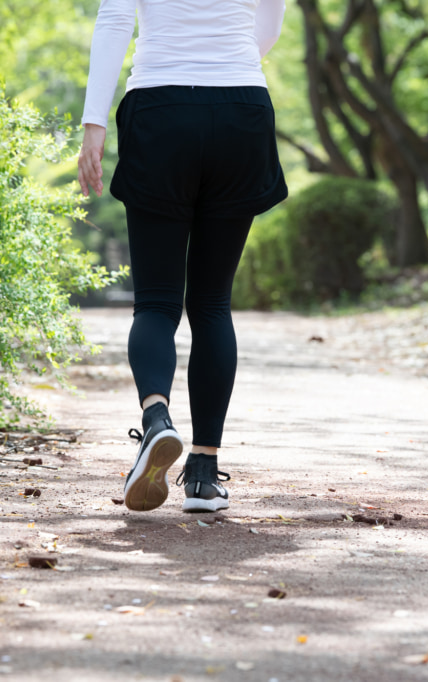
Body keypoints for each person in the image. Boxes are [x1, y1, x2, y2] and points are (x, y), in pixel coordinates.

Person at [77, 0, 288, 513]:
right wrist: (226, 61)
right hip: (242, 108)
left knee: (156, 303)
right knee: (212, 302)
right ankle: (203, 475)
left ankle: (156, 421)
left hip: (159, 110)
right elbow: (269, 26)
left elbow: (114, 21)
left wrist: (94, 125)